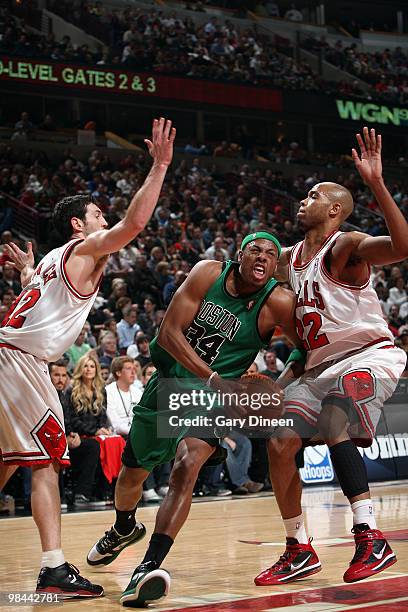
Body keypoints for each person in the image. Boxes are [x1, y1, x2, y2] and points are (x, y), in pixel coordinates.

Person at [0, 117, 175, 597]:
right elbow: (136, 224)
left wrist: (22, 273)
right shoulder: (83, 249)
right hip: (17, 362)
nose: (106, 221)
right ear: (79, 224)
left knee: (11, 461)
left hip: (12, 357)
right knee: (46, 461)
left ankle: (53, 567)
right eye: (100, 215)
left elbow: (34, 298)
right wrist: (159, 166)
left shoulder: (53, 261)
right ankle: (53, 568)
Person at [87, 231, 301, 606]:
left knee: (186, 466)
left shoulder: (278, 302)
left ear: (275, 266)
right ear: (239, 253)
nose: (263, 257)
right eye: (256, 249)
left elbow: (308, 348)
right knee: (132, 474)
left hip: (216, 401)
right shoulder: (207, 274)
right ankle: (123, 527)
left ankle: (147, 568)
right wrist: (213, 378)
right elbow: (168, 334)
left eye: (271, 253)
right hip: (171, 384)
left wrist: (277, 388)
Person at [255, 127, 408, 587]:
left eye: (313, 195)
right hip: (316, 366)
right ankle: (298, 547)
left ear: (335, 209)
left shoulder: (345, 246)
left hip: (368, 355)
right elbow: (250, 270)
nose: (303, 200)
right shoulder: (287, 258)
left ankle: (370, 536)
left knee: (334, 418)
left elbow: (402, 248)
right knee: (280, 441)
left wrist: (378, 184)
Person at [49, 360, 101, 508]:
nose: (60, 379)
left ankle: (82, 493)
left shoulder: (63, 395)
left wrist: (72, 434)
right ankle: (58, 496)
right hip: (50, 441)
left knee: (92, 446)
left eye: (63, 375)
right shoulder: (46, 395)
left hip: (66, 439)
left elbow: (69, 420)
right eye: (56, 375)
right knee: (55, 447)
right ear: (48, 376)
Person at [106, 356, 143, 436]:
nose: (133, 372)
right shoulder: (108, 392)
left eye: (134, 368)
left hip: (138, 432)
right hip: (119, 436)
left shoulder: (138, 392)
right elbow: (115, 423)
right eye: (129, 368)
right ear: (118, 373)